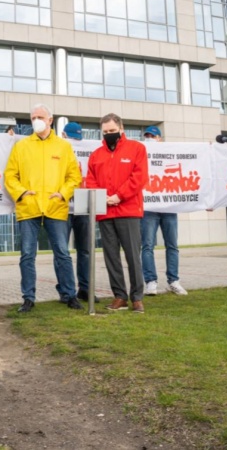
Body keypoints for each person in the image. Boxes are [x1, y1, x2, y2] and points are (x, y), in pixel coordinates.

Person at [5, 104, 83, 313]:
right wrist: (21, 193)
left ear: (50, 120)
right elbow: (10, 175)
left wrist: (63, 193)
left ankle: (69, 295)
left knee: (62, 253)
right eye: (33, 118)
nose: (36, 120)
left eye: (40, 117)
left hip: (55, 207)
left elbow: (74, 177)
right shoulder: (21, 146)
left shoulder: (63, 146)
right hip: (28, 208)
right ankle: (28, 298)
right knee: (27, 255)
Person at [85, 113, 148, 313]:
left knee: (132, 256)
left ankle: (137, 298)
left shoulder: (137, 148)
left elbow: (139, 177)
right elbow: (91, 180)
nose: (109, 134)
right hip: (105, 213)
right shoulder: (96, 155)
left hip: (128, 210)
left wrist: (119, 196)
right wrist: (102, 198)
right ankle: (119, 296)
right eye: (105, 132)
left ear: (121, 129)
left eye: (112, 131)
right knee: (111, 257)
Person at [140, 125, 187, 296]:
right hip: (149, 207)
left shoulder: (169, 153)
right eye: (147, 136)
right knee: (147, 246)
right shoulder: (140, 153)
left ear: (160, 138)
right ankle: (150, 281)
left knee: (172, 245)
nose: (149, 138)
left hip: (168, 206)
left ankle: (173, 281)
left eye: (153, 136)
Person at [60, 121, 96, 303]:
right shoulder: (59, 147)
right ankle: (79, 289)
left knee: (67, 251)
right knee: (83, 250)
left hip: (74, 201)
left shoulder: (60, 146)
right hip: (69, 201)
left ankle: (78, 290)